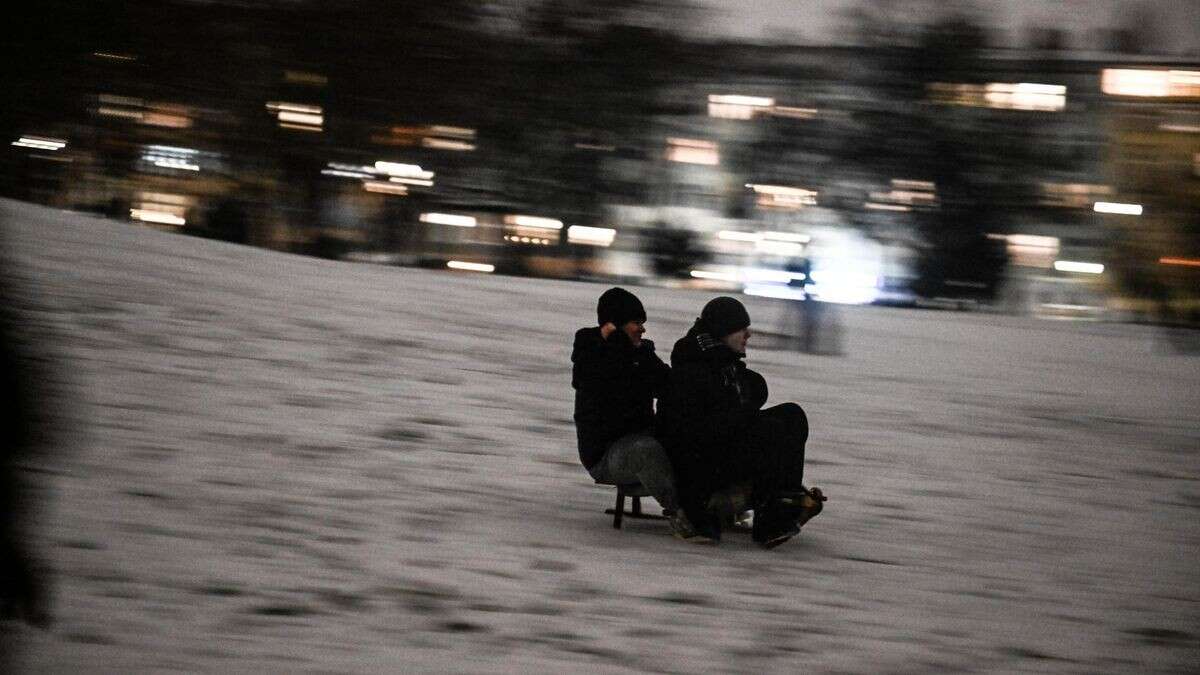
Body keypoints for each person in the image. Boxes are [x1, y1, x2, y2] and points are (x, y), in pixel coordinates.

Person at [658, 296, 825, 548]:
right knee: (769, 430)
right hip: (700, 468)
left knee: (792, 415)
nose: (748, 334)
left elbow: (742, 402)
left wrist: (746, 399)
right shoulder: (694, 370)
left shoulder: (722, 363)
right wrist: (743, 411)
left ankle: (783, 503)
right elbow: (693, 434)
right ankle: (773, 516)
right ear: (722, 331)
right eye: (740, 328)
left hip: (720, 452)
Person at [571, 287, 711, 543]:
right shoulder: (590, 351)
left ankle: (714, 502)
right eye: (636, 323)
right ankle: (684, 515)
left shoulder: (641, 355)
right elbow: (593, 382)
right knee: (643, 449)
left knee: (688, 434)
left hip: (643, 438)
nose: (642, 329)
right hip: (606, 455)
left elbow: (669, 386)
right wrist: (616, 347)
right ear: (615, 325)